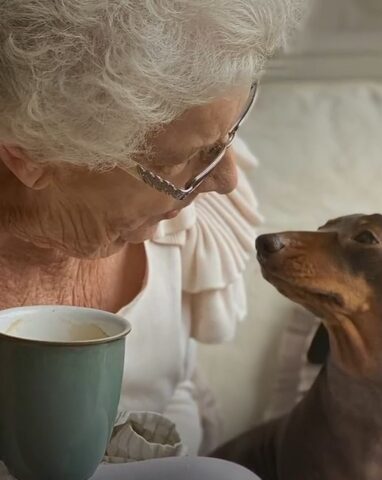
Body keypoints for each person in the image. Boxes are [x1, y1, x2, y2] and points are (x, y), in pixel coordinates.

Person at [0, 1, 303, 478]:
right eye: (189, 157)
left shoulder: (187, 218)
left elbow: (175, 388)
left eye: (230, 132)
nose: (224, 180)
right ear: (31, 156)